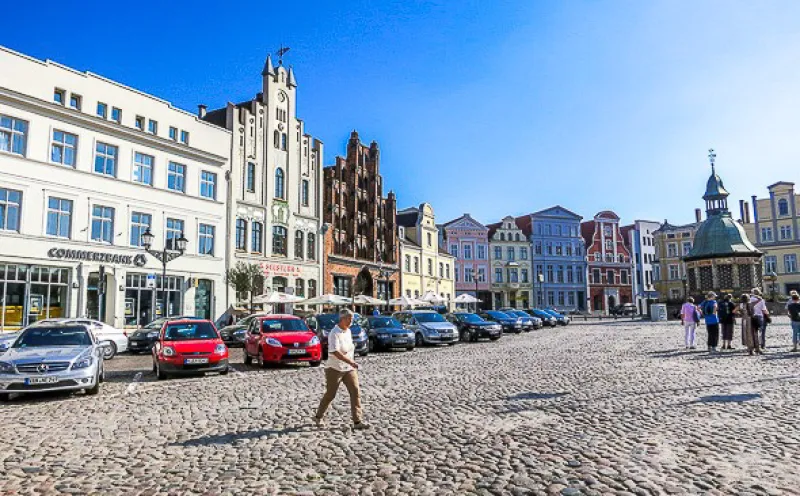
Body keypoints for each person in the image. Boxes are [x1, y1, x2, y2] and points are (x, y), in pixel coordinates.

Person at [313, 308, 369, 430]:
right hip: (335, 368)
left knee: (355, 391)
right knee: (330, 394)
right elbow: (335, 352)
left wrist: (350, 362)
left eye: (352, 319)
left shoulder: (348, 331)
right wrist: (350, 361)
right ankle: (318, 417)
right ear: (342, 319)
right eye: (349, 319)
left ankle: (357, 421)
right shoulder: (334, 333)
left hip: (349, 368)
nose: (351, 321)